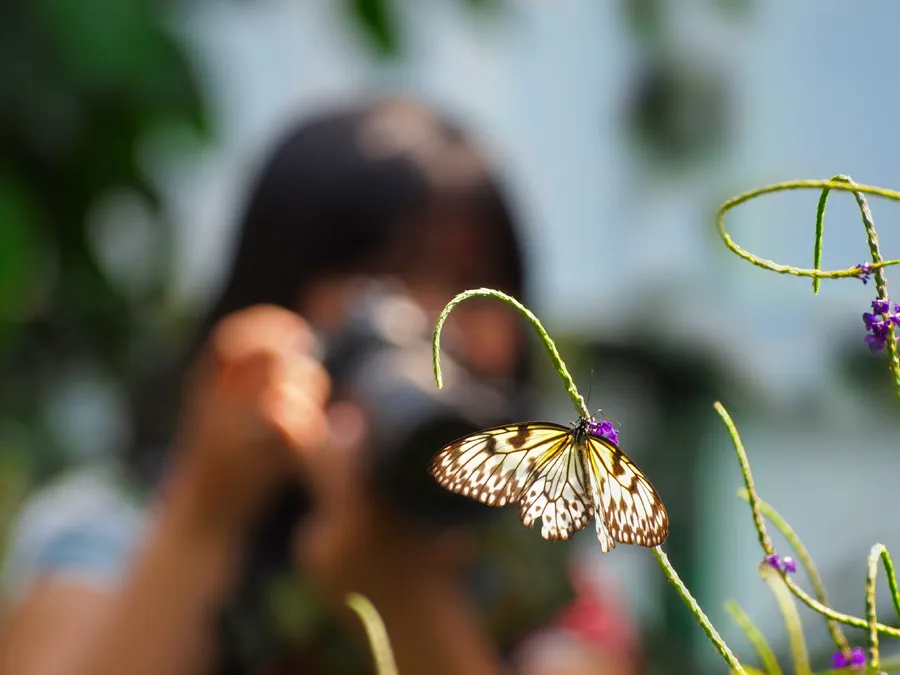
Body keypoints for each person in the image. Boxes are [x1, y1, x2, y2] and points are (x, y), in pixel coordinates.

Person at [0, 98, 644, 675]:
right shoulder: (114, 527)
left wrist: (405, 603)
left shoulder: (539, 569)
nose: (437, 321)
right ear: (277, 296)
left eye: (477, 282)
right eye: (388, 274)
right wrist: (205, 516)